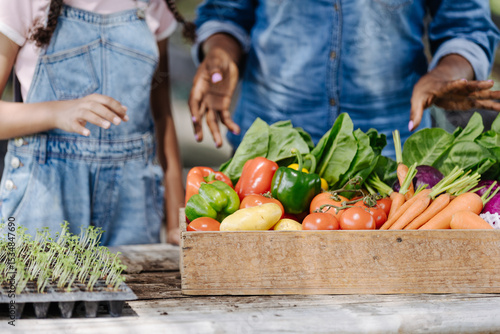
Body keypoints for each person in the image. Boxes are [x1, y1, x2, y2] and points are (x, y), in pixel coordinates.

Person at [188, 0, 500, 158]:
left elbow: (466, 26)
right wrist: (220, 55)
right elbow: (225, 14)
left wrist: (445, 75)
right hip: (269, 150)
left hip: (393, 155)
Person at [0, 0, 192, 246]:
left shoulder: (151, 4)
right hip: (43, 199)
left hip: (134, 204)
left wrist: (178, 220)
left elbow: (162, 116)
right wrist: (56, 112)